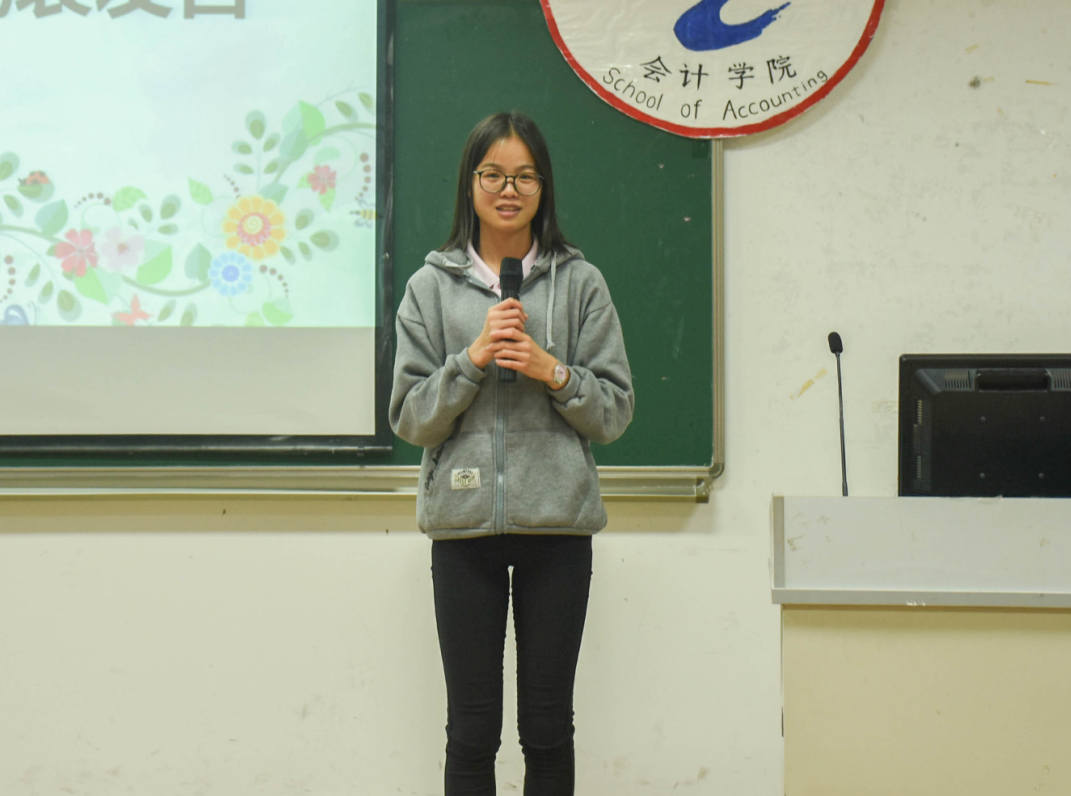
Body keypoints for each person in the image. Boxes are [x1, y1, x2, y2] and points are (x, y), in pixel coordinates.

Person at [389, 111, 634, 795]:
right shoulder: (429, 288)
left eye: (524, 176)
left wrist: (552, 371)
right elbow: (411, 418)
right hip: (462, 529)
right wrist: (469, 360)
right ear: (470, 184)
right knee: (471, 731)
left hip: (558, 529)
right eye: (493, 174)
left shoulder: (580, 283)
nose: (508, 190)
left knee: (548, 728)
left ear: (543, 187)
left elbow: (614, 412)